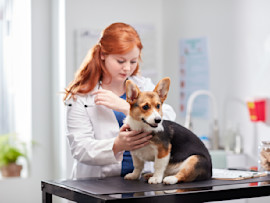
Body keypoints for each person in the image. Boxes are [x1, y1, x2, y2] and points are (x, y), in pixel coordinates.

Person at [64, 22, 176, 179]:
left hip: (142, 180)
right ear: (103, 55)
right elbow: (80, 148)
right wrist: (117, 145)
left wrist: (125, 106)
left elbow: (169, 122)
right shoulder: (81, 96)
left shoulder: (143, 86)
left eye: (133, 61)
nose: (127, 68)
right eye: (121, 61)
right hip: (99, 183)